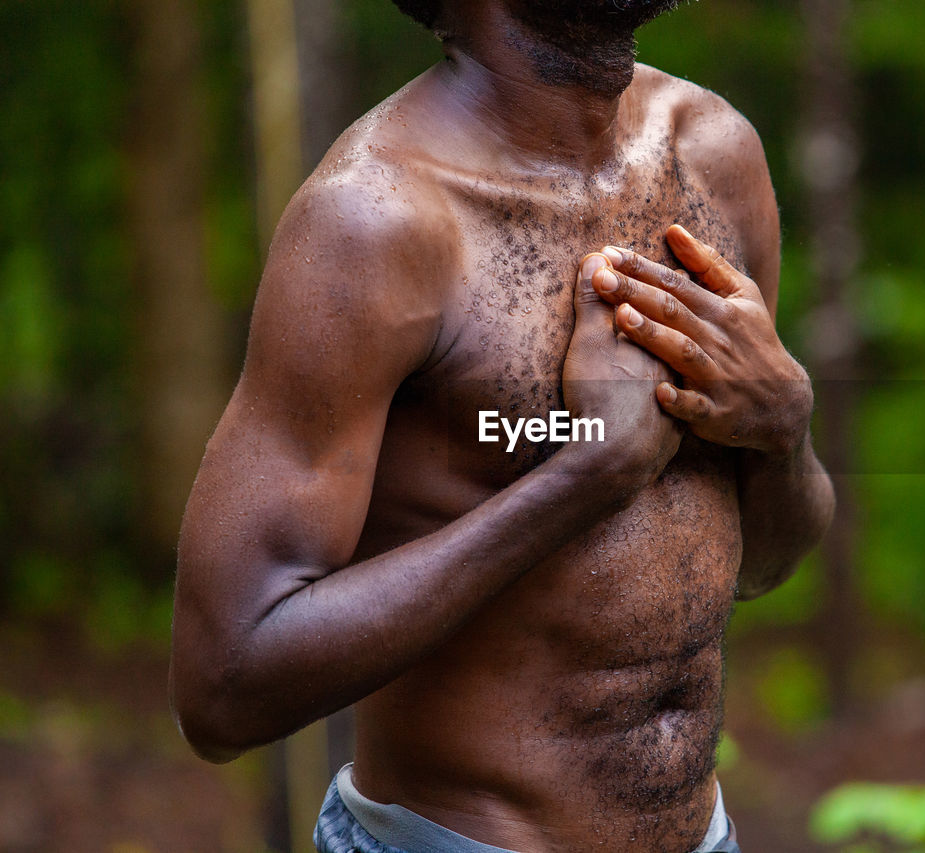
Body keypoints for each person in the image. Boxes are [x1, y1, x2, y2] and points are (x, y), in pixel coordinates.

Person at [169, 0, 835, 850]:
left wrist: (783, 426)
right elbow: (223, 688)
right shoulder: (375, 223)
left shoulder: (714, 153)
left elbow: (768, 562)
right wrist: (582, 477)